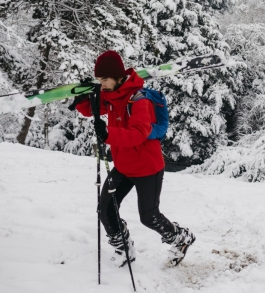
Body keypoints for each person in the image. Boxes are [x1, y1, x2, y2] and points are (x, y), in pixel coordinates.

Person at [71, 50, 195, 266]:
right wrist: (83, 100)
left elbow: (139, 133)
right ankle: (123, 247)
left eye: (105, 79)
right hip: (123, 166)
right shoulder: (109, 96)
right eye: (99, 80)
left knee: (149, 217)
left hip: (147, 168)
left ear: (118, 77)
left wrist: (108, 134)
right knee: (106, 209)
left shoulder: (139, 100)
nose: (102, 85)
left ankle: (180, 238)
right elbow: (92, 110)